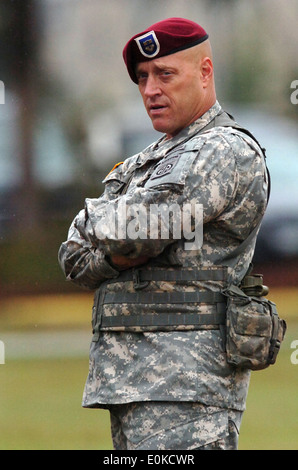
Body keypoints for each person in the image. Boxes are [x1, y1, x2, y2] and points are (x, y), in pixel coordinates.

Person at [58, 18, 269, 450]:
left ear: (205, 72)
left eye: (165, 74)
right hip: (128, 382)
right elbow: (74, 257)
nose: (150, 89)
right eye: (142, 78)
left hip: (189, 386)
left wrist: (104, 226)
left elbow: (135, 230)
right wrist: (114, 257)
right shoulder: (146, 160)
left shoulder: (225, 149)